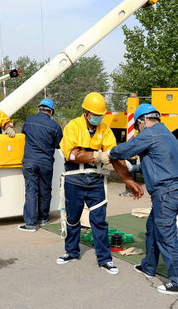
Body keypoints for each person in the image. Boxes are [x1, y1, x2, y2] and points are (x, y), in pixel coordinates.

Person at [108, 103, 178, 295]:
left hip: (166, 193)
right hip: (174, 192)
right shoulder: (167, 134)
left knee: (166, 236)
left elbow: (126, 149)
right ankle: (148, 266)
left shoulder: (150, 133)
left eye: (138, 126)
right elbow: (157, 161)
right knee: (153, 229)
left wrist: (109, 153)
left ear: (142, 121)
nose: (139, 129)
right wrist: (133, 169)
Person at [57, 92, 143, 274]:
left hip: (96, 181)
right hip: (74, 179)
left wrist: (128, 180)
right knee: (73, 219)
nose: (98, 118)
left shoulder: (105, 130)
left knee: (99, 221)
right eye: (95, 115)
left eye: (100, 115)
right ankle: (71, 252)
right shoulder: (73, 127)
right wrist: (96, 155)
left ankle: (105, 259)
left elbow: (114, 158)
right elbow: (71, 154)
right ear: (86, 112)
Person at [18, 98, 63, 232]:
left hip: (30, 162)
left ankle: (31, 224)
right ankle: (44, 219)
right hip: (46, 163)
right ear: (51, 112)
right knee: (45, 191)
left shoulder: (29, 120)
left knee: (31, 191)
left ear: (39, 109)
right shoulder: (55, 126)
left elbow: (24, 133)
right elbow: (57, 145)